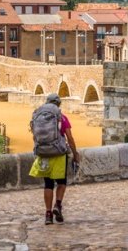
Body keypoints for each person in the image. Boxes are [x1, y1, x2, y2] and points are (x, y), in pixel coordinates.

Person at [29, 93, 80, 225]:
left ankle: (48, 214)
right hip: (58, 154)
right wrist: (75, 154)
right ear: (58, 105)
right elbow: (70, 137)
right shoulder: (62, 118)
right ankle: (57, 205)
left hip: (44, 153)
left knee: (48, 184)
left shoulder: (38, 117)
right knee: (62, 183)